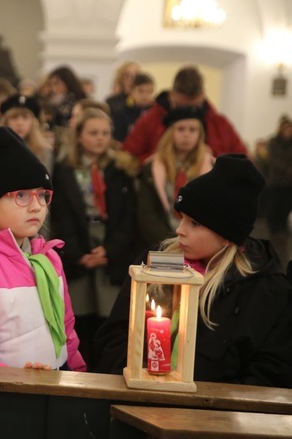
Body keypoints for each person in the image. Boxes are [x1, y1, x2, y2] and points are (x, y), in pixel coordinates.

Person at [93, 154, 292, 388]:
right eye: (182, 219)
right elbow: (115, 335)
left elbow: (272, 368)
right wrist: (136, 382)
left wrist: (213, 403)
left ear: (226, 236)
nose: (179, 230)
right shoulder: (156, 261)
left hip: (215, 416)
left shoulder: (265, 287)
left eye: (194, 224)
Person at [0, 127, 86, 370]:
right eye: (22, 195)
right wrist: (16, 384)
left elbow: (67, 332)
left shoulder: (48, 258)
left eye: (43, 195)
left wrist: (77, 375)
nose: (36, 207)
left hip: (56, 383)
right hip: (6, 396)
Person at [49, 108, 138, 366]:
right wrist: (78, 254)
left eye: (105, 133)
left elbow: (128, 216)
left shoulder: (119, 168)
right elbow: (62, 215)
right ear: (79, 136)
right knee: (80, 316)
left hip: (110, 248)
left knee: (108, 318)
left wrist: (109, 250)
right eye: (93, 133)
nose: (100, 138)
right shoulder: (66, 169)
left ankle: (104, 369)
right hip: (80, 246)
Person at [122, 65, 247, 162]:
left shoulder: (220, 124)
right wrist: (163, 158)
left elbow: (244, 164)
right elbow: (128, 159)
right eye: (182, 107)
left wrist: (213, 159)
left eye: (194, 108)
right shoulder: (150, 120)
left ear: (202, 96)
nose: (188, 114)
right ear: (172, 95)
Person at [137, 106, 213, 250]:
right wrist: (169, 244)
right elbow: (148, 214)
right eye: (181, 129)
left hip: (198, 244)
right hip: (162, 242)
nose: (186, 135)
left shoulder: (211, 167)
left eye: (192, 130)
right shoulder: (152, 168)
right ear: (170, 132)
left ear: (200, 134)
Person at [256, 114, 292, 261]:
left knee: (285, 209)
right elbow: (272, 159)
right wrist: (286, 168)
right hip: (275, 182)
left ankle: (281, 236)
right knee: (274, 210)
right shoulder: (273, 142)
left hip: (289, 184)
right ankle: (273, 239)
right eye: (287, 128)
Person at [0, 94, 53, 171]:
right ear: (6, 122)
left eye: (25, 117)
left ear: (33, 123)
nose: (20, 123)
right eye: (14, 117)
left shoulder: (43, 152)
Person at [111, 72, 155, 144]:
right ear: (132, 91)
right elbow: (118, 139)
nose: (145, 95)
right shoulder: (120, 113)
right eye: (140, 91)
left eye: (149, 91)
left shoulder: (157, 114)